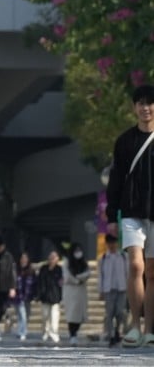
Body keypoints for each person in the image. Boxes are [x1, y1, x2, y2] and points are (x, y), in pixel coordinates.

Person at [104, 84, 154, 349]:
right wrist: (112, 213)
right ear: (134, 108)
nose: (146, 108)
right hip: (132, 213)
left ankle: (150, 329)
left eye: (150, 103)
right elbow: (115, 179)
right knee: (136, 265)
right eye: (141, 103)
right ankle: (134, 326)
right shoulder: (125, 141)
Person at [99, 233, 128, 346]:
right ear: (107, 244)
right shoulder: (104, 258)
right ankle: (111, 335)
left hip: (122, 288)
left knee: (120, 312)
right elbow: (101, 275)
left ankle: (118, 331)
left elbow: (128, 273)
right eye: (110, 243)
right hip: (108, 289)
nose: (112, 245)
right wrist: (100, 290)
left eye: (114, 242)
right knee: (109, 313)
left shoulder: (123, 256)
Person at [62, 241, 90, 346]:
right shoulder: (67, 262)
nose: (78, 253)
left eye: (79, 250)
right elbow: (67, 276)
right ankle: (72, 334)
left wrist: (80, 278)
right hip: (70, 291)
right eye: (76, 250)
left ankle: (75, 333)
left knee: (79, 315)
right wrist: (77, 280)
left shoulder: (84, 262)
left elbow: (88, 273)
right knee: (71, 314)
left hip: (81, 292)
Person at [36, 249, 63, 343]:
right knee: (44, 316)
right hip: (45, 296)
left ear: (57, 259)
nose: (51, 259)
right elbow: (39, 282)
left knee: (54, 316)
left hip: (55, 297)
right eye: (50, 257)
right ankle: (45, 332)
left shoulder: (59, 269)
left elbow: (61, 284)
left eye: (53, 257)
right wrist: (38, 294)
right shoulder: (43, 268)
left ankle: (54, 333)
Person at [14, 251, 36, 341]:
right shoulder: (15, 270)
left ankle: (21, 331)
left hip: (28, 296)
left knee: (25, 315)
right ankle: (22, 332)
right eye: (22, 258)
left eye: (25, 258)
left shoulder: (31, 270)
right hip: (18, 296)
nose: (24, 260)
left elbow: (35, 283)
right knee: (21, 314)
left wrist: (35, 295)